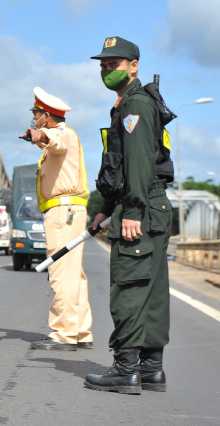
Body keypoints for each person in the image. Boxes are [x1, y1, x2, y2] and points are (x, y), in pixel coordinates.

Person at [86, 36, 174, 395]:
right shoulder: (132, 102)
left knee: (129, 288)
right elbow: (122, 167)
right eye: (104, 65)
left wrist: (132, 211)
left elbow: (138, 161)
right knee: (151, 289)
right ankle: (151, 369)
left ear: (133, 66)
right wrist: (107, 208)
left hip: (142, 207)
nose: (107, 70)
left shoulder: (135, 104)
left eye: (115, 64)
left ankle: (126, 370)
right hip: (153, 206)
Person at [22, 87, 93, 351]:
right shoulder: (62, 137)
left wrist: (39, 135)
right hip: (69, 212)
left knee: (61, 271)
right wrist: (39, 138)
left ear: (48, 116)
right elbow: (51, 142)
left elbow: (55, 138)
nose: (34, 119)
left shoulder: (63, 133)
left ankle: (64, 333)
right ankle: (80, 331)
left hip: (64, 213)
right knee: (73, 274)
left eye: (36, 114)